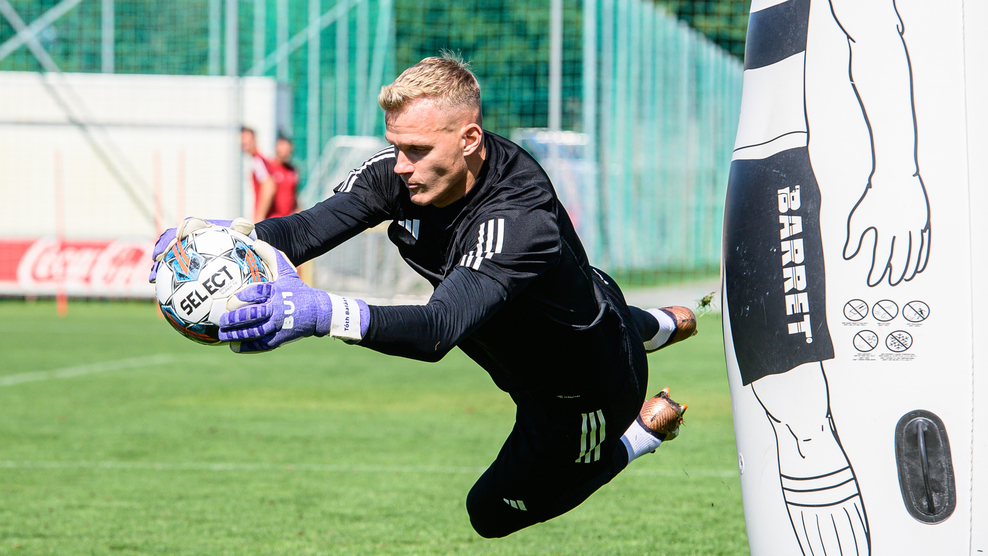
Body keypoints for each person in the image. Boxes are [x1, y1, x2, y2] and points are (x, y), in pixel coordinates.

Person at [153, 54, 696, 538]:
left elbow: (437, 331)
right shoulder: (403, 173)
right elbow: (303, 231)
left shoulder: (517, 218)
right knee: (560, 314)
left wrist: (322, 312)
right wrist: (225, 244)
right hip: (581, 301)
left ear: (470, 139)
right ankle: (657, 325)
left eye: (416, 150)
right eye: (395, 146)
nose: (400, 165)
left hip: (580, 394)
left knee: (489, 514)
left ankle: (641, 433)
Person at [241, 127, 298, 222]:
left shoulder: (292, 171)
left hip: (285, 222)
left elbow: (293, 198)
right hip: (273, 221)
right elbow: (269, 186)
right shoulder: (268, 165)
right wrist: (259, 218)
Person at [270, 133, 299, 217]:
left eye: (287, 152)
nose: (285, 155)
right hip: (272, 219)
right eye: (283, 151)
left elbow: (294, 196)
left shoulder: (292, 170)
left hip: (287, 219)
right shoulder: (270, 168)